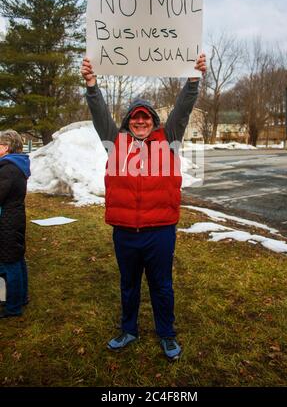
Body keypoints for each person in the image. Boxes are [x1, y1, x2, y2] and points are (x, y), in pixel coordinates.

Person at [81, 53, 206, 360]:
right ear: (128, 122)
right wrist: (91, 85)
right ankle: (129, 329)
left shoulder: (169, 138)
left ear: (153, 121)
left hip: (160, 231)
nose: (140, 121)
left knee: (162, 286)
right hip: (125, 232)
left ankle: (166, 333)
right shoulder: (115, 141)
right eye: (135, 117)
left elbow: (182, 110)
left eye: (145, 117)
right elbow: (99, 115)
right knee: (129, 285)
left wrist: (193, 79)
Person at [0, 130, 31, 318]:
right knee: (17, 259)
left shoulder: (7, 168)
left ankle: (13, 307)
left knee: (10, 262)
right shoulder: (16, 165)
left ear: (5, 147)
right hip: (15, 216)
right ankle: (22, 297)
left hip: (7, 221)